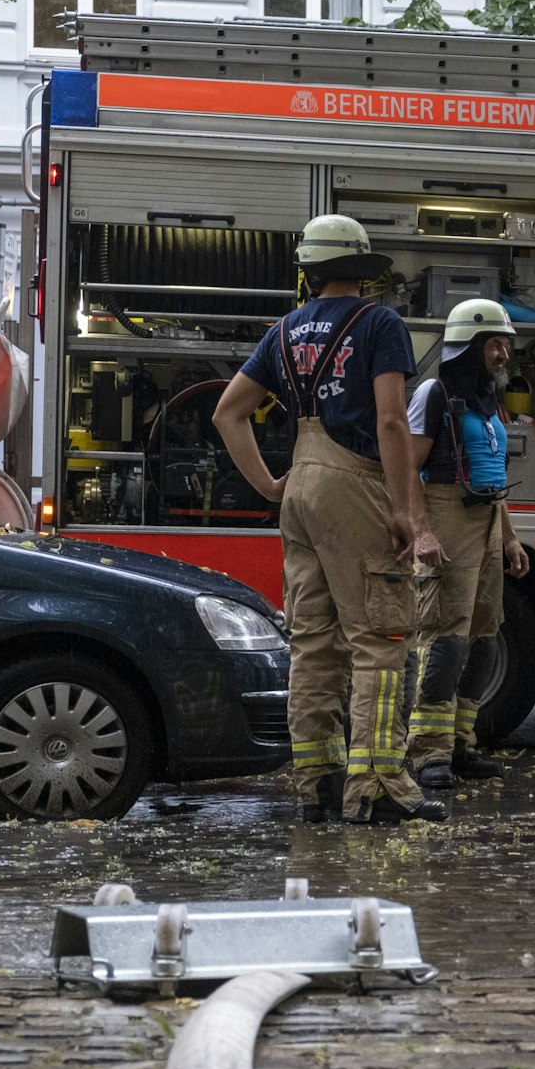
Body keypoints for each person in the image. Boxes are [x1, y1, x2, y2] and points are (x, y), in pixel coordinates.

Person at [213, 214, 447, 826]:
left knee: (314, 644)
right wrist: (402, 511)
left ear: (312, 271)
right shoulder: (380, 323)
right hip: (356, 485)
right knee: (382, 639)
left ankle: (316, 781)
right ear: (364, 271)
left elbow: (227, 413)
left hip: (301, 485)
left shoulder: (285, 331)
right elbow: (393, 421)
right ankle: (375, 787)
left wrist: (269, 484)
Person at [404, 298, 531, 790]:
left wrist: (511, 538)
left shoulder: (485, 400)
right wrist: (422, 532)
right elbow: (409, 470)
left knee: (482, 638)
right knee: (445, 639)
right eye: (495, 344)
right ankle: (428, 753)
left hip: (484, 524)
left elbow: (492, 476)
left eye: (505, 345)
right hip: (445, 518)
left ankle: (460, 745)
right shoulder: (433, 395)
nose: (503, 355)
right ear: (469, 347)